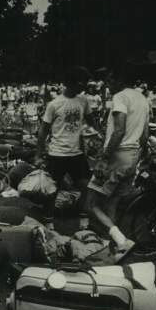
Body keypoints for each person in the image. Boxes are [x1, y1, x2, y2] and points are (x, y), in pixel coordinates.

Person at [84, 67, 150, 259]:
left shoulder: (120, 97)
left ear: (119, 79)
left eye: (110, 79)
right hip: (133, 155)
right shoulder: (142, 98)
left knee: (90, 203)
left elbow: (119, 130)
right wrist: (142, 154)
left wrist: (104, 158)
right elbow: (145, 133)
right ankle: (112, 246)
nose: (107, 83)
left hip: (118, 155)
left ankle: (121, 241)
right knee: (112, 202)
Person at [36, 67, 91, 227]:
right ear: (71, 83)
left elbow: (91, 120)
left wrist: (99, 135)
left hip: (77, 154)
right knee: (52, 190)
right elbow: (43, 130)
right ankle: (48, 221)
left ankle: (83, 218)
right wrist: (39, 154)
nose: (84, 86)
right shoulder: (54, 104)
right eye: (82, 83)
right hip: (57, 154)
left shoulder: (83, 101)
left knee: (85, 186)